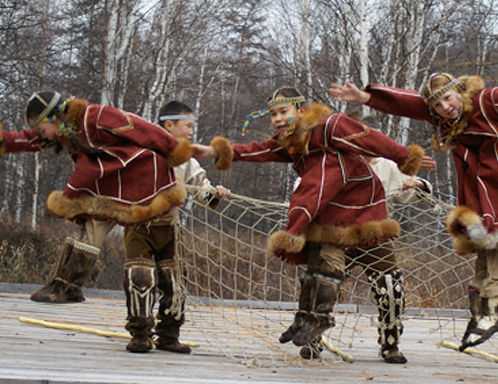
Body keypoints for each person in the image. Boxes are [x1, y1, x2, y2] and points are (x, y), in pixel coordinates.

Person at [192, 87, 436, 363]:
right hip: (329, 225)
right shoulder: (291, 142)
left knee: (391, 287)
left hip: (368, 223)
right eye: (273, 114)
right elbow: (255, 149)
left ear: (301, 110)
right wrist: (214, 150)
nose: (277, 119)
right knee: (320, 277)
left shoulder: (331, 126)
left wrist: (405, 157)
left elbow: (370, 137)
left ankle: (390, 343)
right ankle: (311, 332)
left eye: (283, 112)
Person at [329, 74, 498, 351]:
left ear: (460, 91)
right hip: (481, 192)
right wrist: (367, 97)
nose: (446, 107)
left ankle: (493, 309)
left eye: (448, 97)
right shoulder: (443, 118)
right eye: (439, 104)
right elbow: (410, 104)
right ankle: (479, 311)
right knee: (482, 245)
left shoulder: (488, 101)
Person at [0, 91, 195, 307]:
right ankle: (65, 285)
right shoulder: (67, 129)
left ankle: (165, 302)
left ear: (54, 118)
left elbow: (142, 128)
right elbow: (32, 141)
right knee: (90, 226)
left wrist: (175, 151)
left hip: (141, 178)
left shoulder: (95, 116)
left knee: (154, 239)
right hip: (112, 181)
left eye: (42, 129)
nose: (43, 135)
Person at [121, 101, 231, 353]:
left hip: (170, 227)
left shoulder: (186, 157)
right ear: (168, 125)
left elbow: (201, 186)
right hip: (139, 225)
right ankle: (140, 334)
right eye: (188, 126)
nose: (192, 132)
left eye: (193, 127)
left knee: (175, 281)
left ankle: (169, 335)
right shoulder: (141, 150)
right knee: (140, 277)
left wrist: (215, 192)